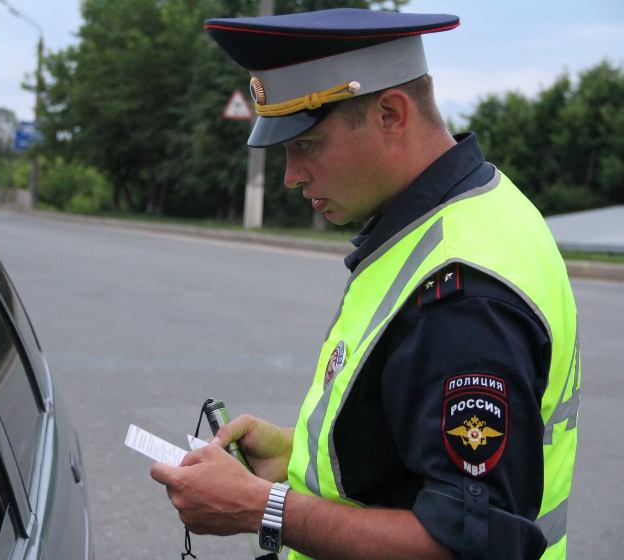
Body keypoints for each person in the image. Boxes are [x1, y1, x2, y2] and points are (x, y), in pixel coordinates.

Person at [151, 8, 580, 560]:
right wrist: (295, 457)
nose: (291, 175)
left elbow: (470, 544)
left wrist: (264, 508)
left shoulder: (461, 295)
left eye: (307, 144)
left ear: (390, 115)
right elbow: (418, 446)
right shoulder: (481, 207)